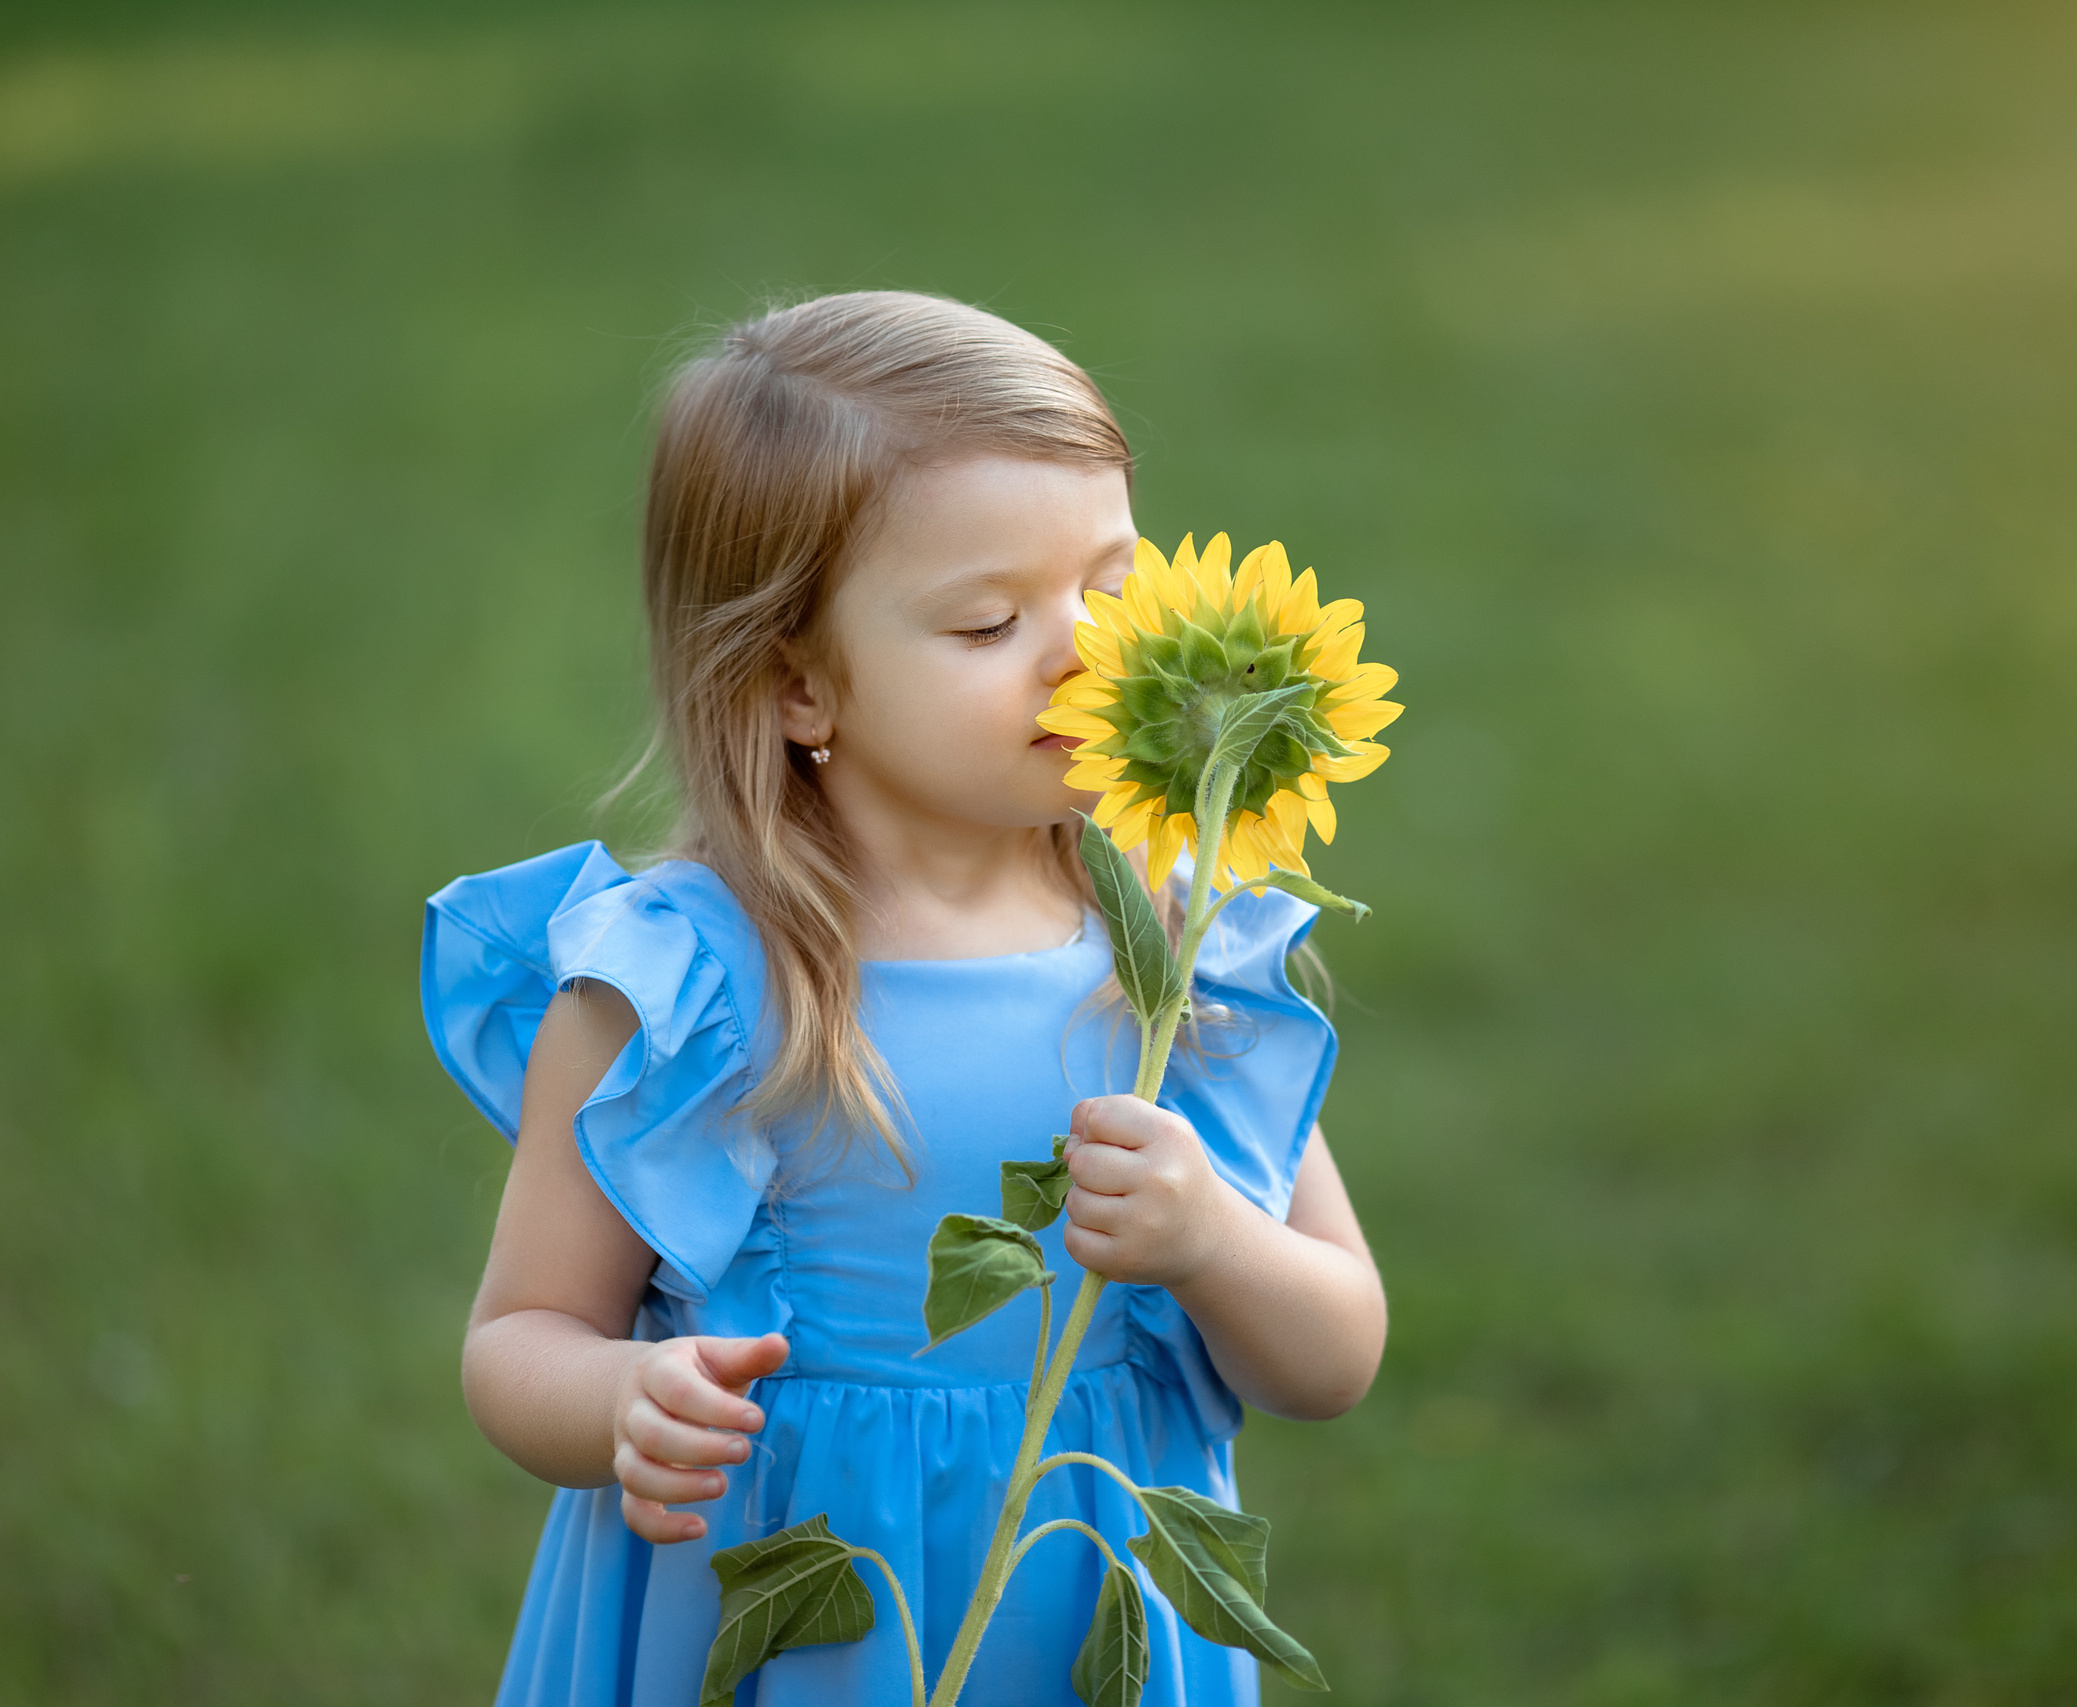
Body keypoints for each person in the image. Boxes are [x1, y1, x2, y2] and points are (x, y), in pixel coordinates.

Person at [419, 291, 1387, 1706]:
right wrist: (623, 1401)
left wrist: (1210, 1243)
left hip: (1084, 1593)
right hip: (795, 1604)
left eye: (1113, 590)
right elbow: (519, 1340)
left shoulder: (1173, 946)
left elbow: (1336, 1352)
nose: (1082, 652)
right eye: (991, 621)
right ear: (799, 683)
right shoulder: (684, 984)